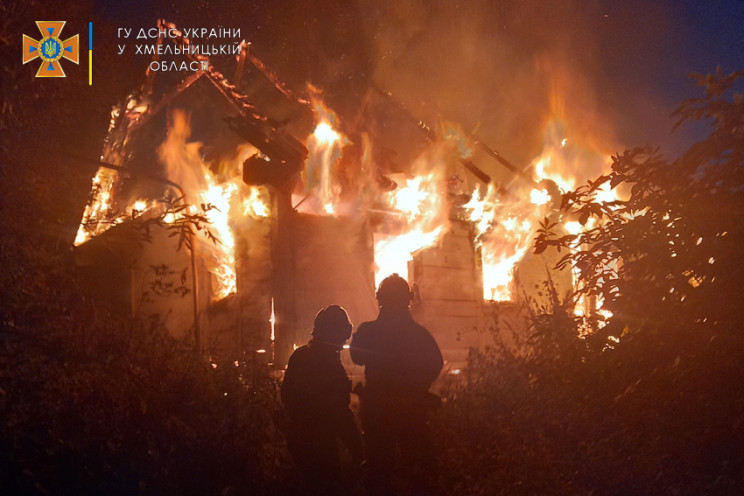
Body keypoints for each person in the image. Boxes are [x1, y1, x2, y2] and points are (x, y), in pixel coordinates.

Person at [350, 274, 444, 495]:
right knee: (419, 468)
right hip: (411, 410)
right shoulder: (419, 334)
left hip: (377, 409)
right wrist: (418, 387)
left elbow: (356, 357)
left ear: (380, 299)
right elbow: (435, 364)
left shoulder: (368, 331)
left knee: (379, 468)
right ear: (407, 300)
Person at [281, 305, 363, 494]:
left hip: (297, 438)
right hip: (320, 443)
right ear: (334, 333)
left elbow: (286, 396)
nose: (344, 341)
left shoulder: (299, 356)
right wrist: (357, 447)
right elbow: (339, 414)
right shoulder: (331, 368)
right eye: (342, 335)